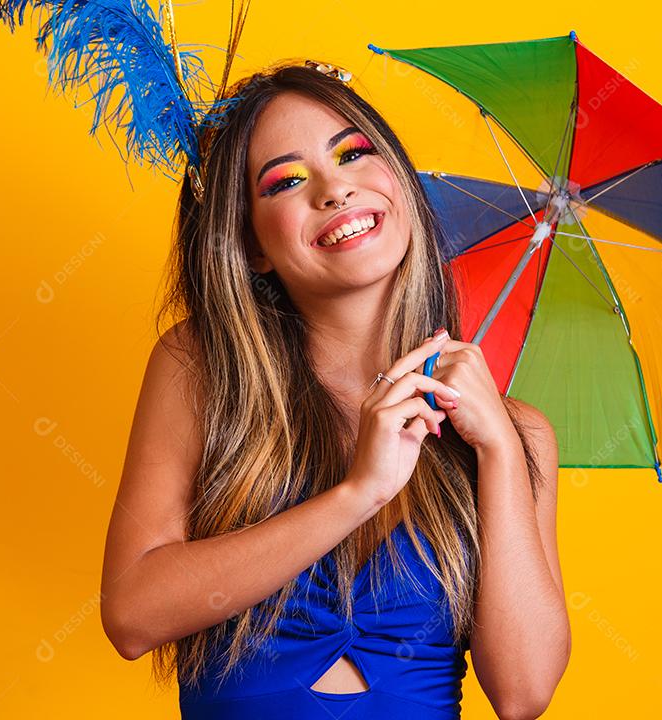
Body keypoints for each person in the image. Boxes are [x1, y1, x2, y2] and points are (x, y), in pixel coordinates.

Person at [99, 60, 570, 719]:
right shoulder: (202, 369)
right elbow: (132, 614)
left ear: (401, 182)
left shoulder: (516, 434)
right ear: (251, 245)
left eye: (353, 153)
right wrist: (359, 493)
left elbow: (523, 694)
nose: (335, 190)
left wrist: (497, 452)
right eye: (285, 181)